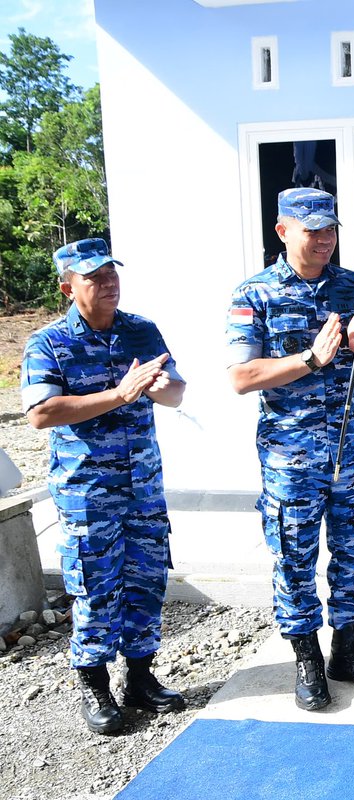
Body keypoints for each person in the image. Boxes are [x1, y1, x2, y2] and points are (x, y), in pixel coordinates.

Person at [226, 187, 354, 711]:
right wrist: (312, 359)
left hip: (349, 452)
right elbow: (241, 376)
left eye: (330, 230)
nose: (324, 240)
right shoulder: (253, 294)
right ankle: (307, 659)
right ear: (282, 231)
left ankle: (347, 650)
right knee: (294, 558)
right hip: (290, 458)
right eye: (312, 230)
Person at [22, 238, 186, 735]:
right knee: (96, 588)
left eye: (112, 273)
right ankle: (94, 685)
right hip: (88, 491)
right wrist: (118, 394)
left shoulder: (141, 331)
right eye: (95, 278)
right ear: (68, 286)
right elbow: (41, 414)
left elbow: (177, 392)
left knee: (145, 581)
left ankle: (140, 677)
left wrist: (163, 390)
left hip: (143, 487)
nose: (109, 283)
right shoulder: (48, 343)